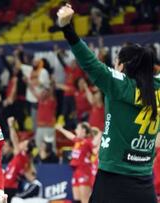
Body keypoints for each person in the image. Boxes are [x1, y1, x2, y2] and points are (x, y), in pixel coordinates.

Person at [57, 4, 160, 202]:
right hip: (145, 182)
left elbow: (90, 62)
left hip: (113, 180)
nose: (113, 66)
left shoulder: (119, 86)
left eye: (116, 62)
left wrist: (67, 28)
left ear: (122, 66)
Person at [56, 122, 100, 203]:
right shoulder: (78, 141)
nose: (75, 130)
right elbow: (70, 136)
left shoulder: (88, 142)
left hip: (84, 171)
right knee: (77, 199)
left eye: (77, 128)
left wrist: (100, 134)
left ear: (83, 130)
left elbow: (95, 149)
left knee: (85, 200)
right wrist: (61, 129)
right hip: (76, 171)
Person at [5, 117, 35, 202]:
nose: (20, 143)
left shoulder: (22, 156)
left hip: (9, 187)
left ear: (26, 149)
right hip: (7, 186)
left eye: (23, 143)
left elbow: (14, 140)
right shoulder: (25, 158)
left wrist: (11, 126)